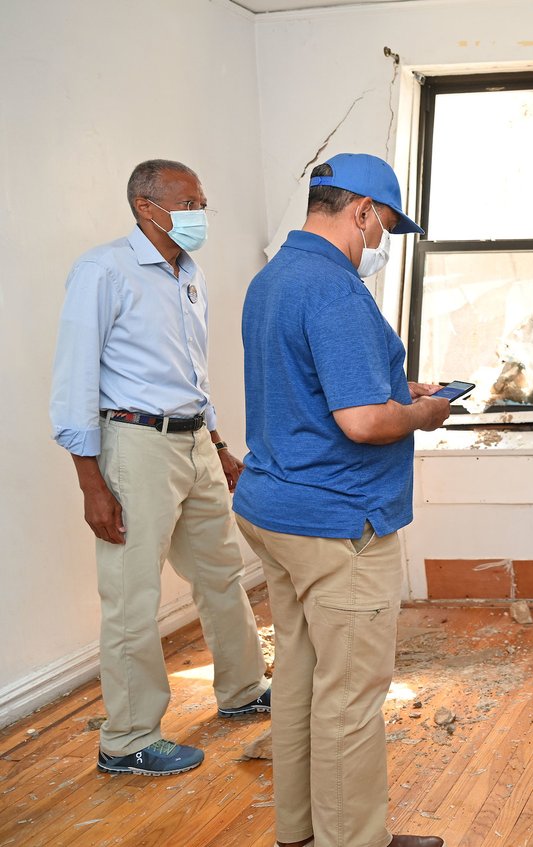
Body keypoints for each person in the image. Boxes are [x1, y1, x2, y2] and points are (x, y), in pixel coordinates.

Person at [234, 153, 449, 847]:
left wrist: (400, 392)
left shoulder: (271, 281)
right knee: (352, 693)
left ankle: (299, 832)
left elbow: (314, 387)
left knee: (300, 677)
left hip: (275, 510)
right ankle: (355, 839)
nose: (380, 241)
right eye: (383, 225)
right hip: (336, 520)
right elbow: (360, 422)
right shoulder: (334, 289)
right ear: (359, 209)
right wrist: (423, 413)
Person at [49, 159, 271, 777]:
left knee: (223, 572)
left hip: (195, 443)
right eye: (189, 201)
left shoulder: (188, 273)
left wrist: (218, 443)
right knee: (131, 596)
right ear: (147, 206)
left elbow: (189, 374)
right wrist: (90, 482)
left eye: (202, 201)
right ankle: (126, 739)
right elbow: (73, 380)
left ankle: (244, 690)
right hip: (135, 446)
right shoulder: (104, 270)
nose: (201, 213)